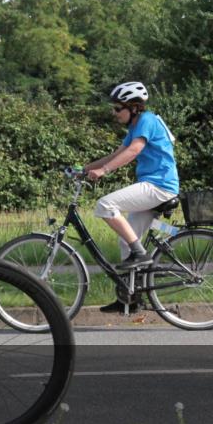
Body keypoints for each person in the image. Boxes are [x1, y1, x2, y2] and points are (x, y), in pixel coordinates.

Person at [84, 82, 180, 313]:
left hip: (160, 186)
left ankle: (140, 253)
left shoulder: (147, 121)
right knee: (125, 239)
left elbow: (134, 151)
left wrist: (104, 171)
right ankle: (130, 298)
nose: (114, 113)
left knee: (106, 204)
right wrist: (84, 169)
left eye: (118, 108)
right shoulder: (136, 126)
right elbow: (116, 155)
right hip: (152, 185)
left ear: (134, 107)